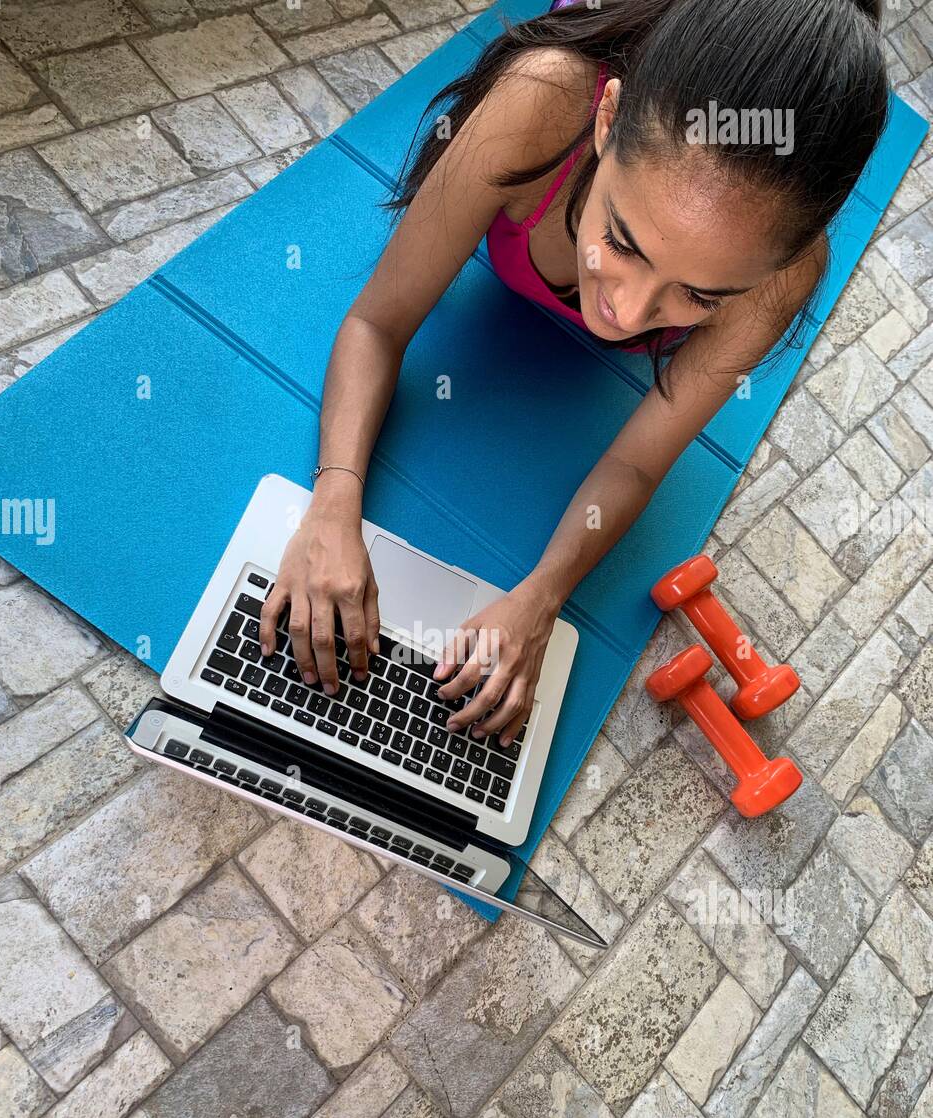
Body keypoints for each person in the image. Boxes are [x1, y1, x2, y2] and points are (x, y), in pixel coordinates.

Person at [259, 0, 887, 750]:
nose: (623, 313)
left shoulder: (783, 275)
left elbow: (633, 460)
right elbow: (374, 323)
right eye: (621, 242)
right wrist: (333, 503)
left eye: (696, 296)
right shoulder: (544, 99)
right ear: (605, 119)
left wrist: (542, 594)